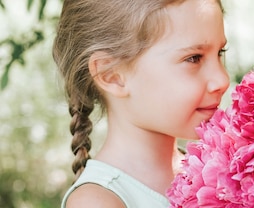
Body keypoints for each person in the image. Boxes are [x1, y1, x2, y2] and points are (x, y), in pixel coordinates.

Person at [52, 0, 230, 207]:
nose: (222, 80)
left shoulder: (211, 171)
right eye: (194, 58)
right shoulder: (98, 202)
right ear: (111, 75)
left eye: (220, 53)